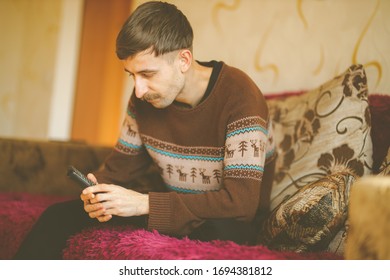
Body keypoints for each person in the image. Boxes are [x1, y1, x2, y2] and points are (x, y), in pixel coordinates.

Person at [14, 0, 276, 259]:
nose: (138, 90)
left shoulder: (240, 95)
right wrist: (98, 189)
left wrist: (143, 203)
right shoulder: (144, 100)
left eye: (148, 74)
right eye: (132, 75)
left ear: (183, 59)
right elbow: (118, 170)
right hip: (171, 208)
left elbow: (240, 205)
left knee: (217, 230)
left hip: (225, 221)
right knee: (56, 216)